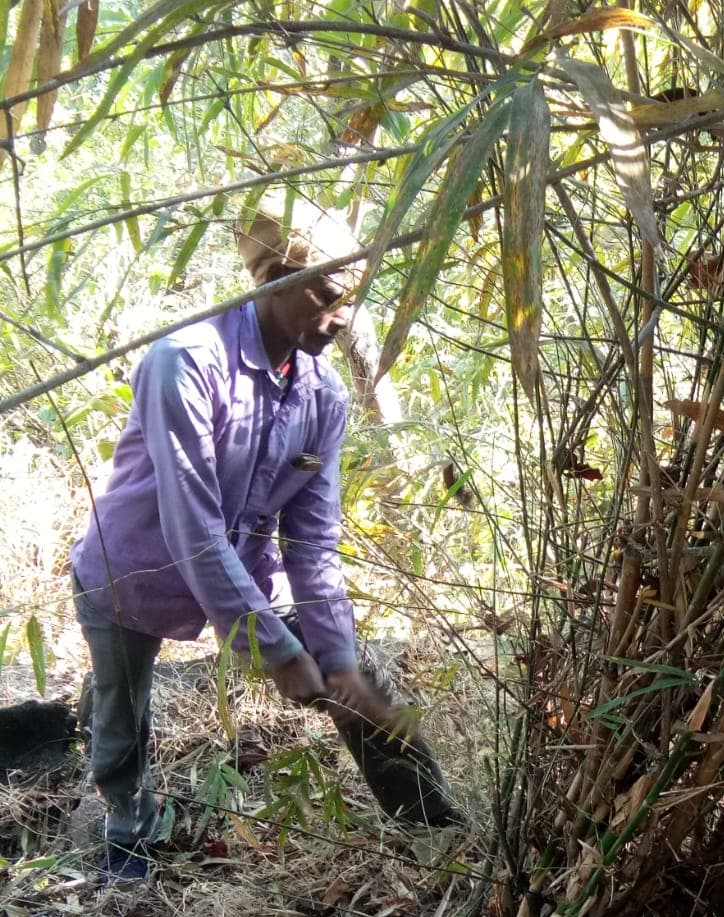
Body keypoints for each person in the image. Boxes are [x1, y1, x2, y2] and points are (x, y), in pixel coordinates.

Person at [71, 197, 459, 881]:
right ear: (275, 279)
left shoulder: (323, 396)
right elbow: (192, 526)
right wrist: (276, 651)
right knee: (121, 716)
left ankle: (435, 828)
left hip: (244, 575)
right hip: (131, 571)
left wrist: (334, 658)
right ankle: (127, 836)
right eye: (328, 295)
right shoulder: (185, 363)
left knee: (358, 670)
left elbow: (312, 542)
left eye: (353, 298)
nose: (343, 316)